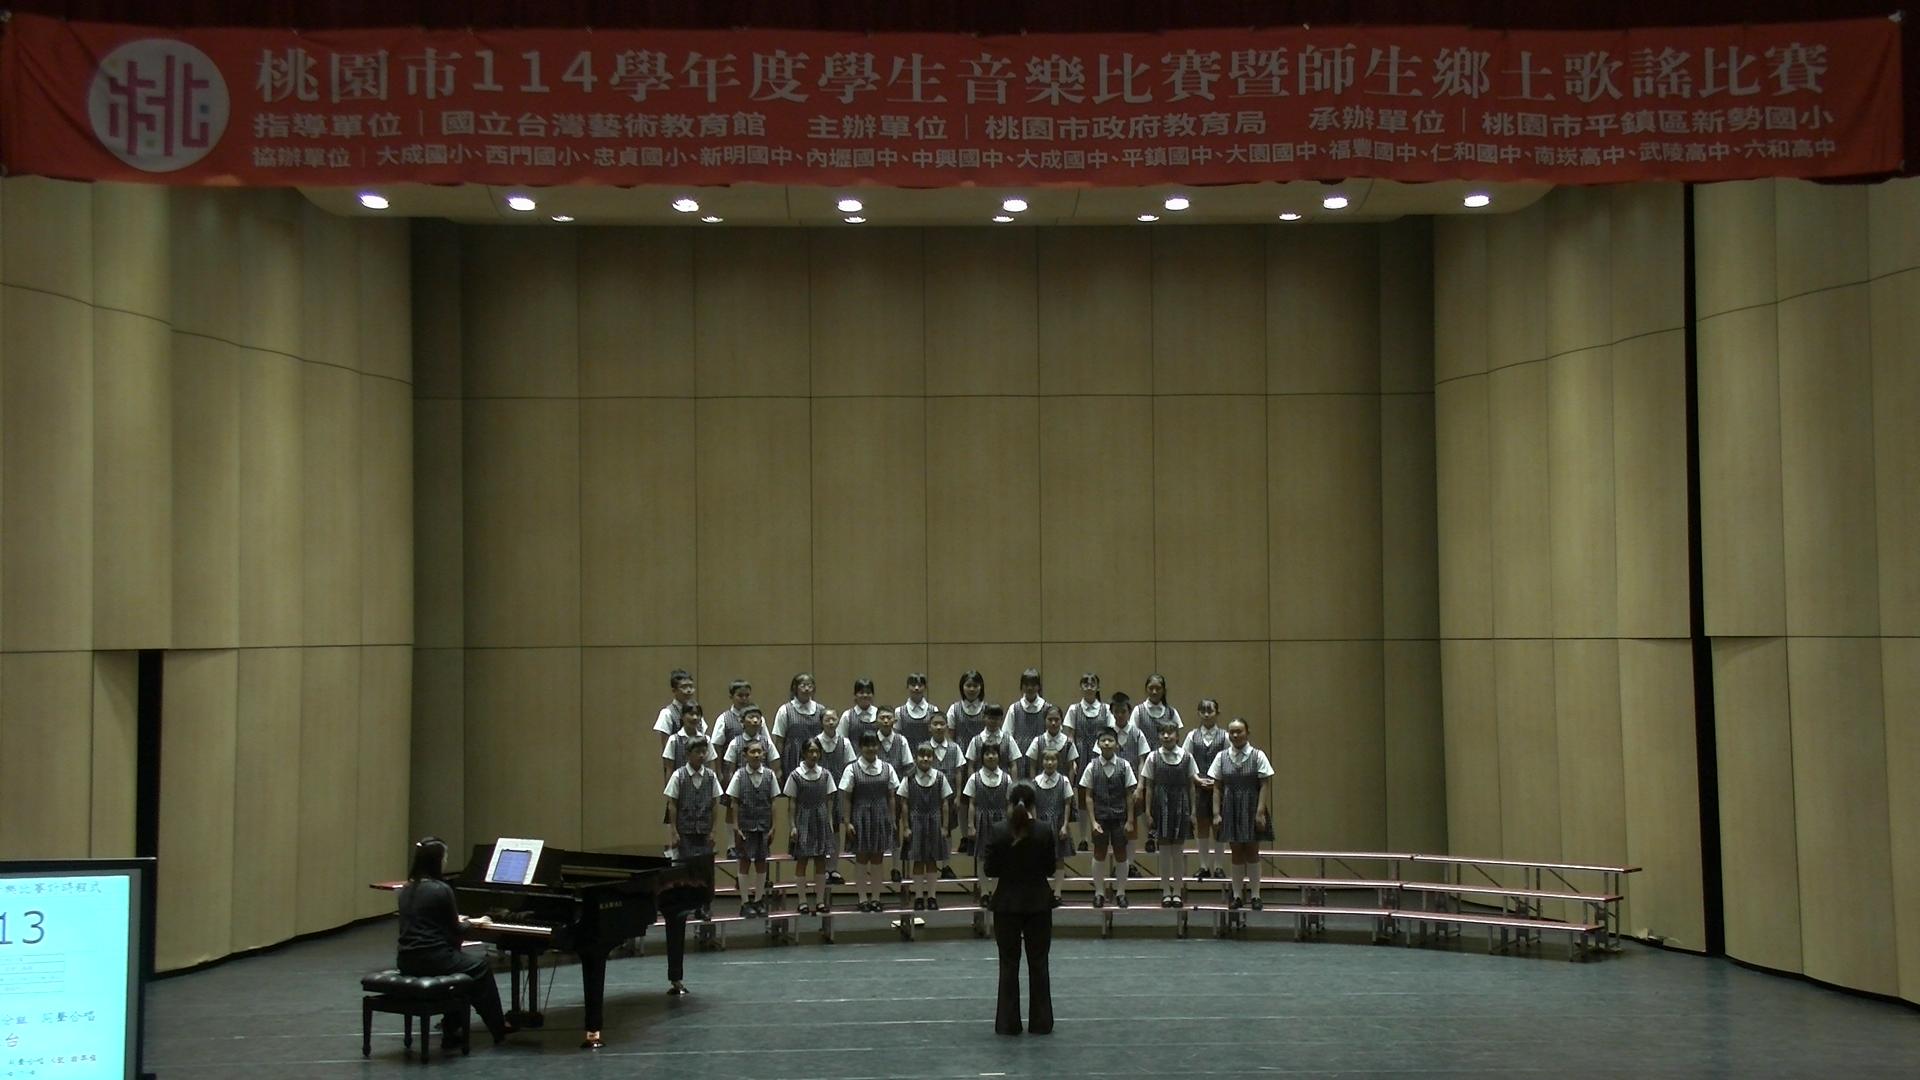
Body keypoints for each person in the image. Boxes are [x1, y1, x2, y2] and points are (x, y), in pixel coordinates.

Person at [395, 838, 514, 1047]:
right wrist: (476, 922)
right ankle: (498, 1027)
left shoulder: (406, 889)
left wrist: (461, 922)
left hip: (406, 959)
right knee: (480, 968)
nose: (446, 861)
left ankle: (452, 1028)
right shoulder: (441, 889)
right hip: (434, 959)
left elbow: (429, 921)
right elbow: (457, 930)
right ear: (437, 861)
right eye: (445, 857)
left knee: (464, 972)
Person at [982, 783, 1057, 1036]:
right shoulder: (1044, 831)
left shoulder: (998, 831)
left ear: (1010, 804)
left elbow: (990, 870)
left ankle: (1007, 1024)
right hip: (1038, 904)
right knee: (1039, 965)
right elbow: (1050, 868)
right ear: (1034, 804)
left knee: (1008, 965)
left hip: (1006, 905)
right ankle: (1041, 1023)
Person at [1209, 718, 1275, 910]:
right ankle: (1237, 895)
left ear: (1247, 732)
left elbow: (1264, 784)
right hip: (1230, 808)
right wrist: (1216, 813)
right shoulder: (1221, 757)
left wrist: (1260, 812)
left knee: (1252, 851)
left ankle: (1255, 895)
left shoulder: (1258, 755)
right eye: (1232, 732)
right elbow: (1217, 787)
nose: (1235, 735)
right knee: (1236, 852)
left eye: (1239, 731)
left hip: (1251, 806)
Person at [839, 731, 900, 912]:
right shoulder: (852, 769)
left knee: (877, 859)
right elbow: (846, 797)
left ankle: (876, 897)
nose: (871, 748)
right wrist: (847, 822)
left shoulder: (887, 768)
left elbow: (891, 796)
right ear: (860, 747)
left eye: (874, 745)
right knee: (861, 858)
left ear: (878, 746)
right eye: (867, 745)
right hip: (860, 817)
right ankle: (862, 898)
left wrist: (892, 819)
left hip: (881, 817)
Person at [1139, 721, 1198, 907]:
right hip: (1160, 805)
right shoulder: (1153, 757)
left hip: (1181, 805)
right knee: (1164, 850)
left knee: (1178, 851)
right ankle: (1165, 890)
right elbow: (1149, 786)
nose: (1166, 736)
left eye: (1170, 732)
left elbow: (1191, 786)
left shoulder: (1187, 756)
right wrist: (1148, 811)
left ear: (1177, 736)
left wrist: (1193, 811)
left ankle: (1178, 891)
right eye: (1162, 733)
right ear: (1158, 736)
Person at [1078, 727, 1138, 908]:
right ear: (1098, 744)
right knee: (1099, 853)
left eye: (1110, 740)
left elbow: (1130, 795)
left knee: (1121, 854)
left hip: (1120, 818)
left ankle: (1121, 892)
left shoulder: (1125, 766)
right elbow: (1088, 796)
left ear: (1117, 744)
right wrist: (1093, 822)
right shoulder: (1091, 766)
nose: (1106, 743)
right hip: (1100, 818)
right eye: (1103, 740)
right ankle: (1099, 893)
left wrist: (1130, 820)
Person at [725, 739, 780, 917]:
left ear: (764, 754)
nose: (756, 755)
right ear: (745, 755)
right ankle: (744, 902)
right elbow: (734, 802)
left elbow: (774, 802)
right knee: (744, 862)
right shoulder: (739, 775)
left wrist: (774, 826)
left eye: (759, 752)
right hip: (745, 826)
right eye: (752, 752)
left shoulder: (770, 775)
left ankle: (758, 899)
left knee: (761, 862)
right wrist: (735, 827)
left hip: (763, 826)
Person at [897, 742, 954, 910]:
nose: (925, 759)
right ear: (916, 758)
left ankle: (932, 896)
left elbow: (945, 803)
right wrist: (906, 827)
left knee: (931, 860)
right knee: (918, 861)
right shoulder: (909, 778)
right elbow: (904, 804)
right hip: (916, 823)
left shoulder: (940, 777)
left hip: (934, 822)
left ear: (933, 758)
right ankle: (918, 897)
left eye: (929, 756)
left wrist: (945, 827)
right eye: (922, 756)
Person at [784, 738, 838, 914]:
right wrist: (792, 826)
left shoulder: (826, 774)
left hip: (820, 819)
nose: (814, 755)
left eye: (816, 751)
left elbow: (829, 801)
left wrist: (829, 822)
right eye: (810, 751)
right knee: (802, 860)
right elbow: (792, 803)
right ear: (804, 753)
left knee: (821, 861)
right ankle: (802, 901)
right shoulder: (795, 775)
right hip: (803, 820)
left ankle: (820, 901)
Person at [1181, 698, 1228, 879]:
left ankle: (1218, 867)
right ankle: (1203, 866)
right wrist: (1196, 779)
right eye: (1203, 711)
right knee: (1201, 826)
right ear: (1199, 713)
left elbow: (1228, 760)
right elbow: (1185, 760)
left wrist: (1217, 781)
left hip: (1219, 787)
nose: (1207, 714)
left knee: (1218, 826)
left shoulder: (1225, 736)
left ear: (1217, 713)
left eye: (1210, 711)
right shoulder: (1192, 736)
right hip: (1198, 787)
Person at [1065, 673, 1110, 851]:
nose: (1089, 687)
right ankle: (1083, 838)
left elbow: (1109, 734)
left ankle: (1098, 834)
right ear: (1081, 687)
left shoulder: (1106, 709)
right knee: (1083, 798)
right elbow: (1070, 737)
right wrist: (1073, 760)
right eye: (1085, 684)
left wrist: (1101, 755)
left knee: (1100, 797)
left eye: (1092, 684)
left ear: (1098, 687)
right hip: (1081, 755)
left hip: (1101, 755)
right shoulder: (1074, 709)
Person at [961, 741, 1012, 901]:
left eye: (994, 753)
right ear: (982, 757)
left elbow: (1009, 804)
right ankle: (984, 892)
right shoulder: (974, 778)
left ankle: (997, 892)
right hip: (982, 820)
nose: (991, 756)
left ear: (999, 756)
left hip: (1001, 821)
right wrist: (970, 825)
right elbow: (971, 804)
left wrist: (1010, 826)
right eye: (987, 753)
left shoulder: (1006, 778)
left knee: (1000, 857)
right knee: (982, 857)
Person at [1029, 748, 1075, 905]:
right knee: (1040, 859)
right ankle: (1042, 892)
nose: (1049, 763)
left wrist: (1065, 825)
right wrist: (1035, 824)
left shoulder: (1064, 781)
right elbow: (1033, 805)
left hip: (1058, 823)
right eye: (1046, 759)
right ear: (1041, 762)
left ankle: (1057, 892)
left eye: (1053, 760)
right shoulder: (1035, 782)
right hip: (1041, 824)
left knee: (1059, 858)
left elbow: (1067, 804)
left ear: (1058, 762)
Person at [1023, 704, 1076, 783]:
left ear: (1061, 720)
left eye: (1056, 720)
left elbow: (1071, 768)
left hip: (1062, 786)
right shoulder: (1037, 741)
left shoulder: (1068, 743)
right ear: (1045, 720)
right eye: (1050, 720)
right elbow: (1032, 766)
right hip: (1041, 785)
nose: (1053, 723)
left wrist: (1069, 786)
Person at [652, 668, 700, 752]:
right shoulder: (667, 713)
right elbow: (666, 749)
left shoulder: (697, 712)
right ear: (674, 690)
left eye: (691, 686)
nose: (689, 690)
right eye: (684, 687)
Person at [1007, 668, 1049, 757]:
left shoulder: (1047, 709)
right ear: (1021, 686)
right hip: (1019, 756)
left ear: (1039, 686)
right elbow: (1007, 736)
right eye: (1026, 685)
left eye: (1033, 685)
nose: (1030, 688)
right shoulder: (1014, 709)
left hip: (1042, 757)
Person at [947, 669, 989, 749]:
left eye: (975, 686)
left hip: (982, 752)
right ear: (962, 687)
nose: (972, 689)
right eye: (968, 686)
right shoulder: (954, 709)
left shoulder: (987, 709)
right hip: (960, 752)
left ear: (981, 687)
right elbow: (950, 737)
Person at [897, 672, 939, 748]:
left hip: (928, 752)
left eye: (920, 685)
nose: (916, 688)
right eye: (913, 685)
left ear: (925, 687)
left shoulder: (933, 710)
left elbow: (936, 736)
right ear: (907, 687)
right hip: (906, 752)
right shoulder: (899, 711)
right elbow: (897, 737)